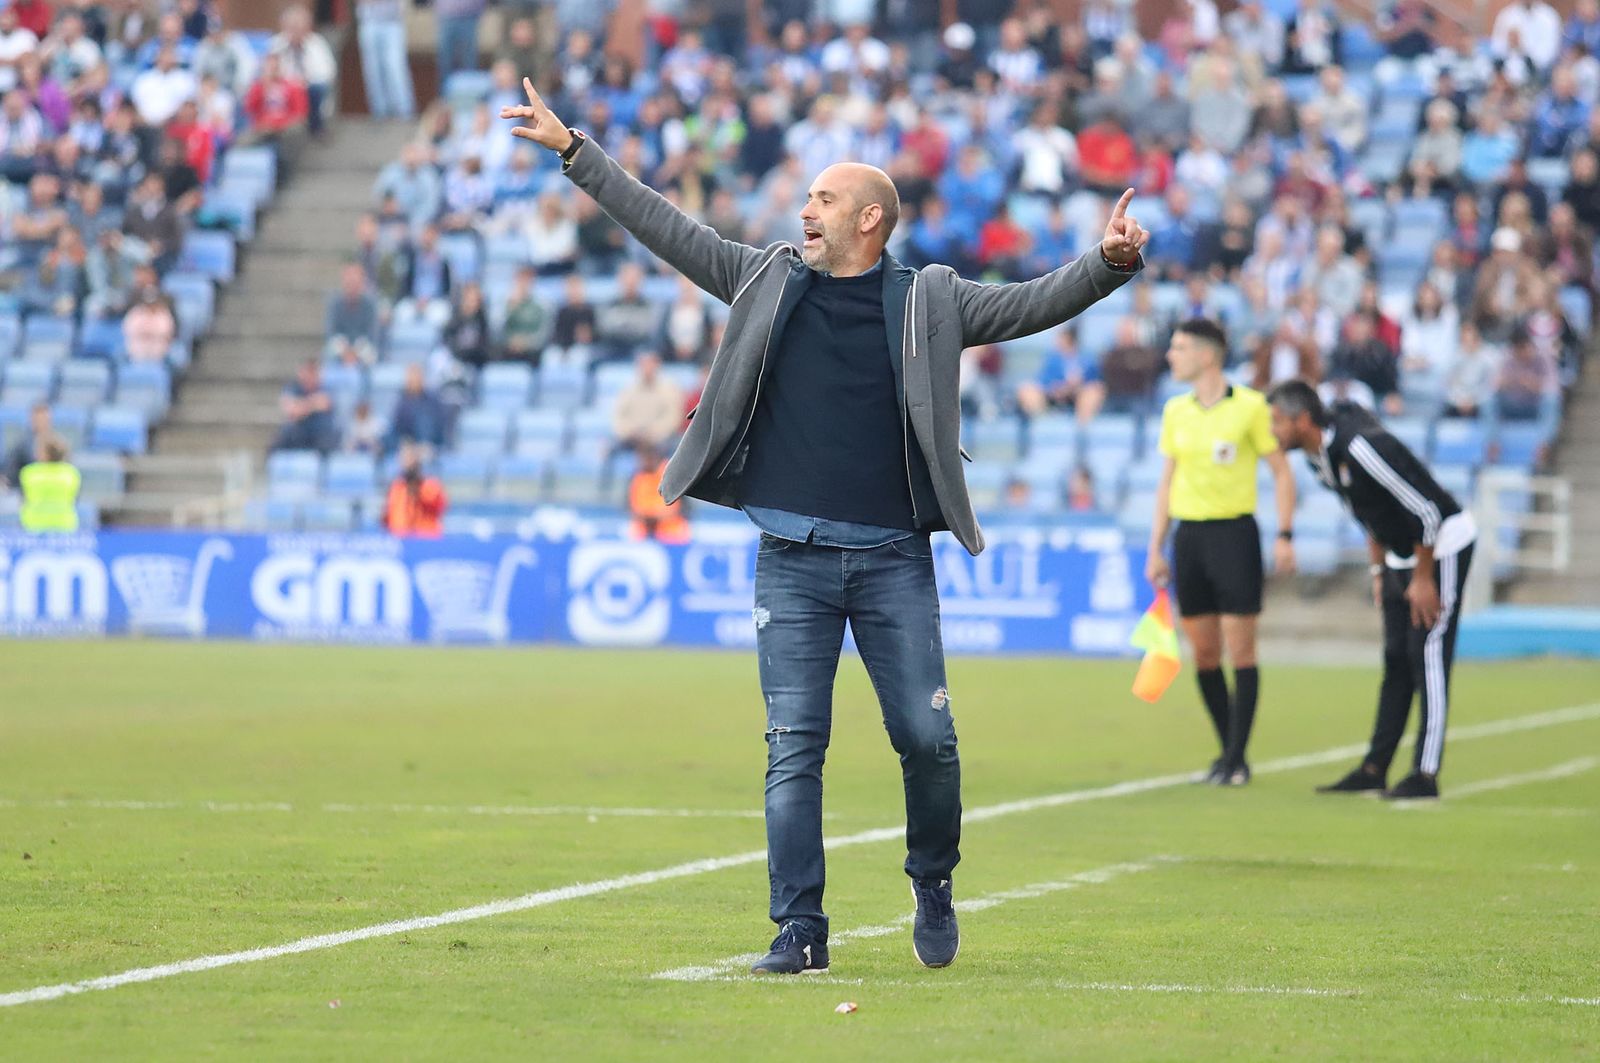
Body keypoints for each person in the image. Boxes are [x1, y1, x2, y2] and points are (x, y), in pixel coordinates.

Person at [503, 74, 1146, 975]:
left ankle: (932, 878)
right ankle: (799, 931)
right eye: (806, 196)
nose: (805, 208)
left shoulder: (932, 299)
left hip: (893, 562)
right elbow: (662, 224)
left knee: (928, 740)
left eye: (824, 198)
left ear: (870, 220)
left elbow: (1036, 301)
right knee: (792, 750)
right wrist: (576, 152)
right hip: (791, 560)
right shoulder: (763, 278)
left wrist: (1108, 263)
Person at [1268, 381, 1477, 800]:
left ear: (1302, 420)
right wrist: (1379, 570)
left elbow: (1428, 511)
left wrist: (1422, 579)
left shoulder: (1361, 448)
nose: (1271, 431)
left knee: (1428, 653)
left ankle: (1425, 773)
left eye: (1277, 421)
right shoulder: (1318, 458)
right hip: (1401, 551)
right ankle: (1374, 767)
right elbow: (1368, 513)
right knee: (1396, 656)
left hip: (1442, 543)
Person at [1146, 320, 1297, 787]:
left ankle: (1236, 757)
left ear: (1207, 355)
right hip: (1188, 539)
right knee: (1206, 654)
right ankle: (1226, 751)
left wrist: (1285, 534)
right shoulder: (1176, 411)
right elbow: (1166, 482)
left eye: (1180, 347)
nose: (1171, 355)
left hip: (1234, 536)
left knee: (1240, 649)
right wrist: (1157, 547)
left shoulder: (1251, 407)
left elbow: (1282, 472)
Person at [356, 0, 414, 121]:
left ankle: (405, 112)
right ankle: (379, 113)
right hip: (369, 21)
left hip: (393, 22)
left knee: (395, 67)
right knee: (373, 71)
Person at [272, 360, 339, 453]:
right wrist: (313, 403)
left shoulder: (326, 388)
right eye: (307, 373)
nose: (309, 377)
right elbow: (291, 410)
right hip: (298, 431)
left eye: (313, 373)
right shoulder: (292, 388)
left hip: (320, 433)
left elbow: (325, 403)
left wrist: (301, 405)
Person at [626, 444, 689, 543]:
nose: (643, 462)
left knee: (676, 530)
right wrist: (645, 516)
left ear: (655, 457)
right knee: (634, 531)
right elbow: (630, 506)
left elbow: (681, 507)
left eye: (647, 458)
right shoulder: (637, 476)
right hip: (643, 526)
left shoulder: (671, 473)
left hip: (669, 527)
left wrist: (657, 516)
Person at [382, 442, 447, 538]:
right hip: (401, 539)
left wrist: (416, 487)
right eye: (402, 458)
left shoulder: (430, 485)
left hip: (425, 539)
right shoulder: (397, 487)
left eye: (408, 458)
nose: (404, 462)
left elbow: (438, 506)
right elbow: (389, 515)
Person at [18, 436, 80, 534]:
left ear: (45, 454)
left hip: (33, 524)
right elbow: (75, 497)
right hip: (65, 524)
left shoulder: (29, 472)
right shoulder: (71, 473)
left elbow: (24, 497)